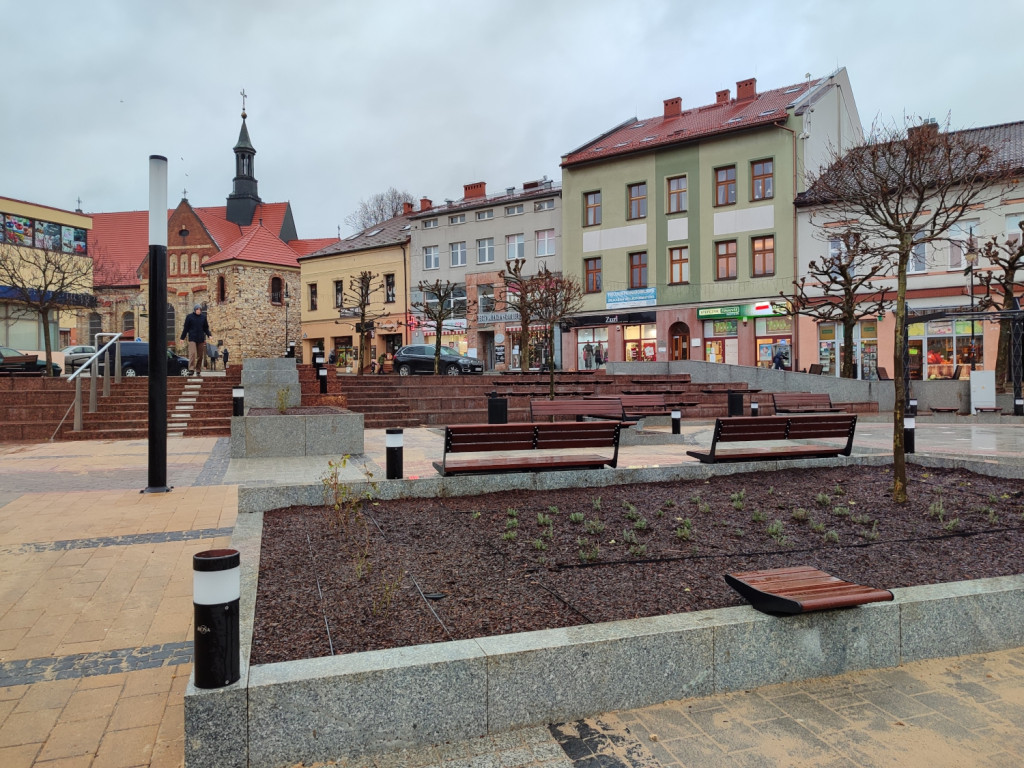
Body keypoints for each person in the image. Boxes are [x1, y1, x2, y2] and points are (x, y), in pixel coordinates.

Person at [180, 304, 211, 375]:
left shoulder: (203, 317)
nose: (199, 311)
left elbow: (205, 328)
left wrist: (209, 335)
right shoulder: (189, 317)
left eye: (200, 309)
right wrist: (182, 338)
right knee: (192, 354)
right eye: (197, 309)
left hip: (200, 338)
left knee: (200, 356)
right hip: (192, 338)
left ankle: (198, 369)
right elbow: (186, 328)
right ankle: (191, 369)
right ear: (195, 310)